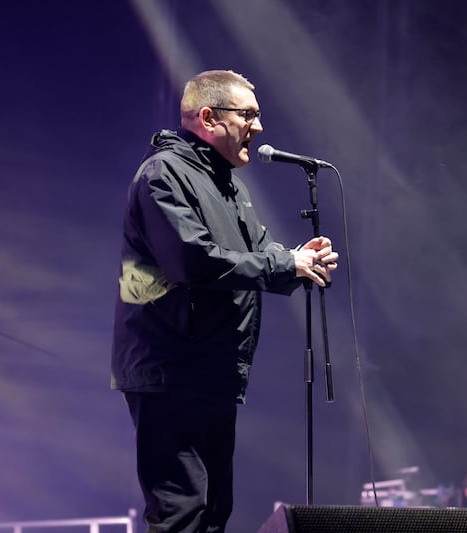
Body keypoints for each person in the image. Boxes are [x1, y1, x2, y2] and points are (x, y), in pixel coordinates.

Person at [110, 70, 338, 532]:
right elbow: (191, 261)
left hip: (211, 369)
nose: (257, 127)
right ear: (209, 118)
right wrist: (284, 265)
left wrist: (300, 260)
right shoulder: (163, 174)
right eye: (248, 115)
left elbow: (260, 251)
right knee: (181, 512)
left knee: (214, 513)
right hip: (170, 368)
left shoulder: (230, 185)